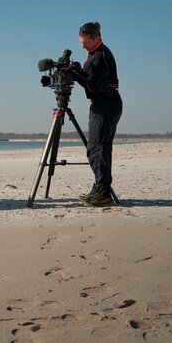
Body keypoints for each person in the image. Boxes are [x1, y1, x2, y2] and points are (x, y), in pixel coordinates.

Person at [65, 22, 123, 207]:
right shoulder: (95, 53)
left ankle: (103, 193)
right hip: (103, 104)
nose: (82, 46)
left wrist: (74, 74)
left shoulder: (99, 56)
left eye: (85, 43)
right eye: (81, 42)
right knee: (97, 148)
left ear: (96, 38)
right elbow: (91, 79)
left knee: (98, 148)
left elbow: (91, 86)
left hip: (106, 104)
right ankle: (99, 188)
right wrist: (78, 71)